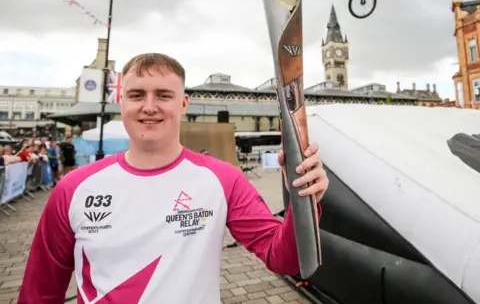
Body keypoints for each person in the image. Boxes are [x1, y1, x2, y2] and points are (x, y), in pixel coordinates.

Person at [18, 53, 329, 304]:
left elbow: (284, 259)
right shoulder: (74, 188)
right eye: (137, 94)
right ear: (122, 103)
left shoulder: (222, 180)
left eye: (163, 95)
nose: (149, 106)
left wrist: (304, 198)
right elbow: (39, 293)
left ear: (183, 105)